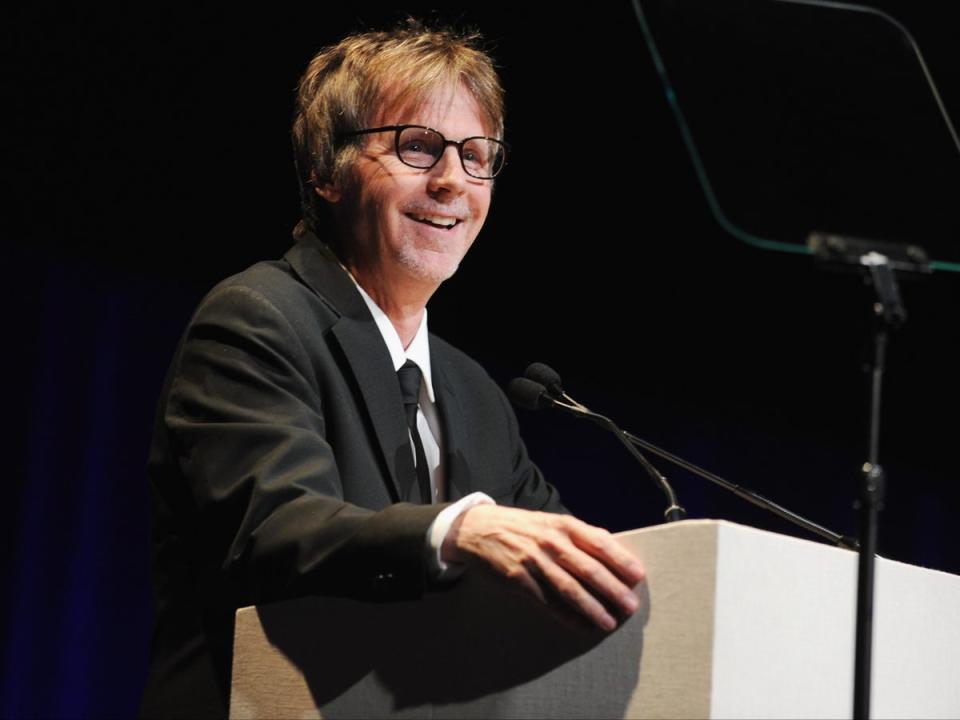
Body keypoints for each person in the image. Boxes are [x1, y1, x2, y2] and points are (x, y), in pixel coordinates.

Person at [139, 19, 645, 718]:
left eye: (476, 155)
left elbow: (564, 567)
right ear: (325, 171)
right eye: (417, 147)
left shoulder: (474, 394)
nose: (451, 182)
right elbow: (278, 529)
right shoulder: (258, 318)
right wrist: (455, 533)